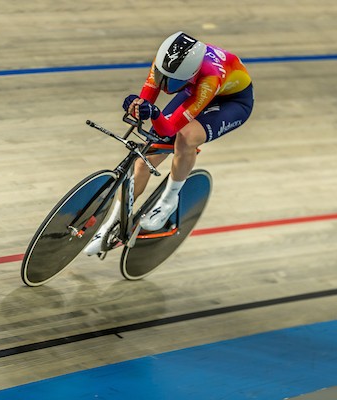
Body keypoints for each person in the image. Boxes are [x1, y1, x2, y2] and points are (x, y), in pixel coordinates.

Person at [84, 31, 254, 256]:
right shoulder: (165, 62)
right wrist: (137, 105)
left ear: (190, 73)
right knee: (146, 155)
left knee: (185, 138)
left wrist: (154, 113)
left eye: (173, 81)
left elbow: (170, 128)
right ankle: (111, 223)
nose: (165, 84)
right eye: (164, 77)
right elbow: (148, 98)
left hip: (231, 102)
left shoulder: (210, 77)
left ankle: (168, 201)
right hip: (195, 89)